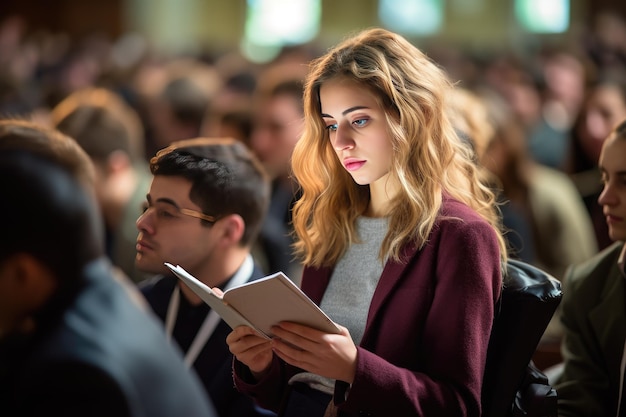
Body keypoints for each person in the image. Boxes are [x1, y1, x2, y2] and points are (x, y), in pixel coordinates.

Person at [226, 28, 507, 417]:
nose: (340, 141)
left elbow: (457, 405)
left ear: (416, 117)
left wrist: (355, 369)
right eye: (329, 124)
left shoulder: (461, 236)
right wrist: (263, 366)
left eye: (359, 121)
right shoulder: (333, 219)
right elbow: (298, 387)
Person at [0, 119, 217, 417]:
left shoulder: (73, 373)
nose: (144, 223)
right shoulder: (107, 290)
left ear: (23, 273)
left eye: (166, 213)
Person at [135, 137, 276, 417]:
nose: (143, 223)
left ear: (228, 231)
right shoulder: (142, 304)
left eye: (166, 213)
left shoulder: (271, 331)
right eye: (147, 206)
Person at [553, 119, 626, 417]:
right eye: (604, 179)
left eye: (625, 181)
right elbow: (578, 405)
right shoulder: (588, 286)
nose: (605, 197)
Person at [51, 86, 153, 283]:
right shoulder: (108, 216)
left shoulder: (144, 230)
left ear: (116, 166)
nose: (62, 184)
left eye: (72, 172)